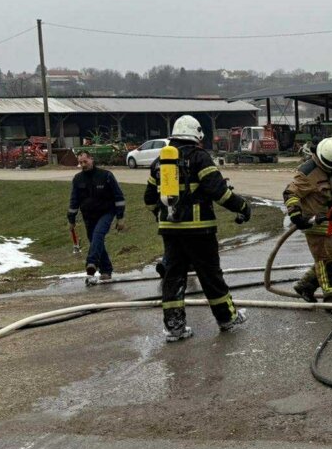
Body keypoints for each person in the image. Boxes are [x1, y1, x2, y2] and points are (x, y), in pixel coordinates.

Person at [143, 115, 252, 342]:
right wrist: (242, 206)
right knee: (210, 275)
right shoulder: (200, 157)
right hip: (200, 230)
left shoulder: (160, 162)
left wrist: (161, 215)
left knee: (173, 277)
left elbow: (149, 199)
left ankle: (174, 328)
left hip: (170, 231)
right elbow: (219, 192)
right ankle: (227, 318)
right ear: (196, 135)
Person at [283, 136, 332, 304]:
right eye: (329, 167)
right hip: (315, 221)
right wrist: (296, 215)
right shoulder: (307, 172)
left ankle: (306, 286)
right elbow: (290, 193)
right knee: (326, 260)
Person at [67, 150, 126, 283]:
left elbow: (119, 196)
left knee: (98, 235)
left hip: (106, 212)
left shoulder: (106, 175)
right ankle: (106, 270)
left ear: (91, 159)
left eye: (85, 161)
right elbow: (74, 201)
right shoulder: (77, 179)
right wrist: (71, 219)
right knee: (95, 241)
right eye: (80, 162)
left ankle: (91, 263)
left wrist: (120, 217)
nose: (83, 165)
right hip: (88, 216)